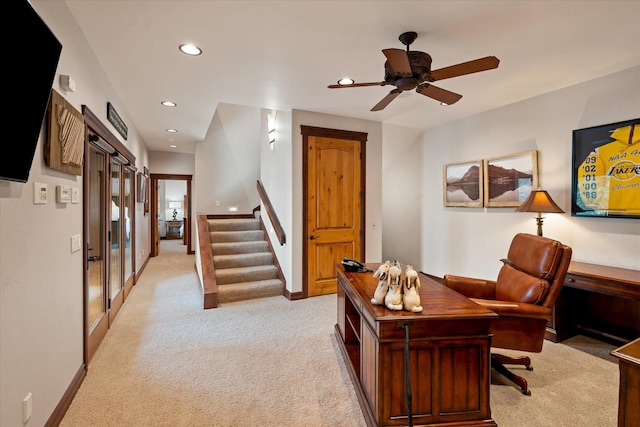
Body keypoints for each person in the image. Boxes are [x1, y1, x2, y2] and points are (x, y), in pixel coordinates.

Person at [576, 123, 639, 215]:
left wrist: (595, 203)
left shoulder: (600, 151)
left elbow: (588, 174)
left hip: (614, 212)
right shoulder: (599, 152)